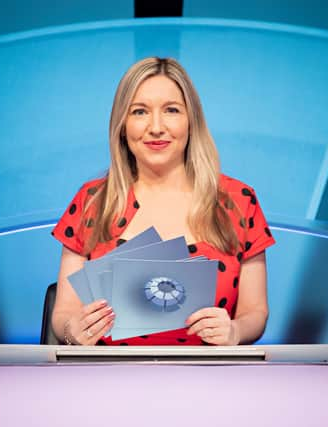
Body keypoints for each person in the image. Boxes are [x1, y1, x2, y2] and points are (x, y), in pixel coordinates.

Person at [51, 57, 275, 346]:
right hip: (106, 379)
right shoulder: (92, 202)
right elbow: (64, 313)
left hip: (210, 381)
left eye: (171, 110)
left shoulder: (238, 201)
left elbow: (255, 313)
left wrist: (235, 331)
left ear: (191, 121)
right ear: (122, 125)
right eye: (140, 112)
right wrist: (73, 330)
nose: (156, 127)